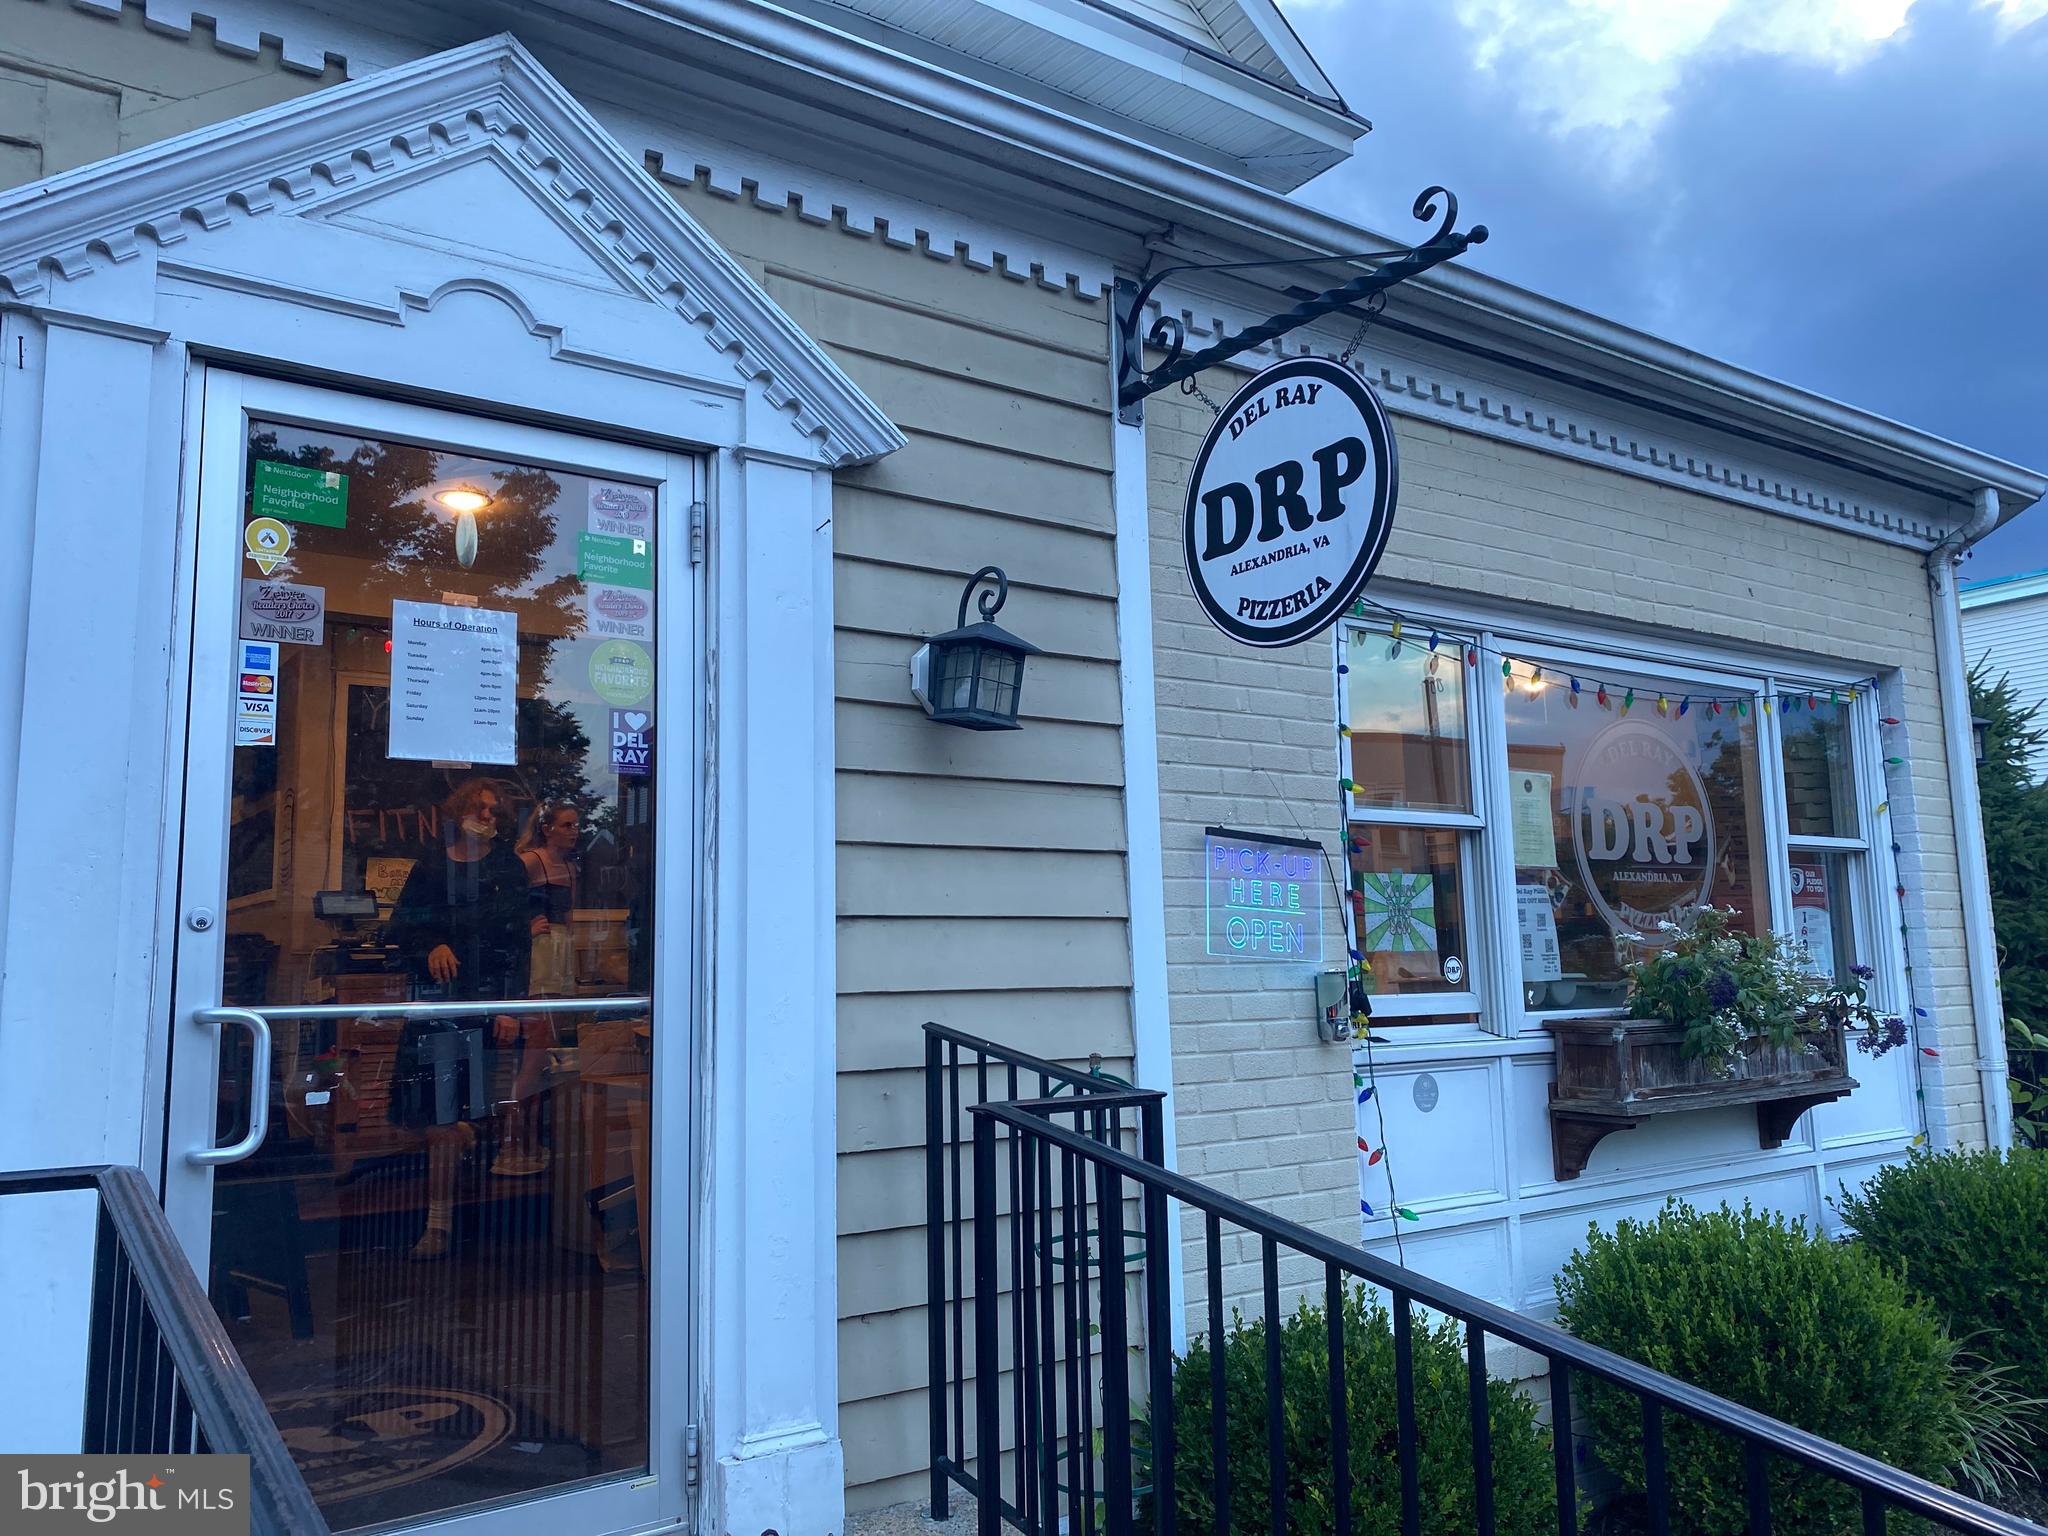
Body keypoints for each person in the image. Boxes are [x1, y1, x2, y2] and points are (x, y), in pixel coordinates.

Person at [385, 778, 532, 1260]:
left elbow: (518, 942)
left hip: (485, 1002)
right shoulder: (431, 865)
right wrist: (431, 945)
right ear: (460, 810)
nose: (488, 818)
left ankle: (441, 1223)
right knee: (422, 1115)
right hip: (434, 1003)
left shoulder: (507, 867)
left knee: (453, 1113)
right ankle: (461, 1155)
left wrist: (512, 1005)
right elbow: (402, 926)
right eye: (481, 809)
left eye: (496, 813)